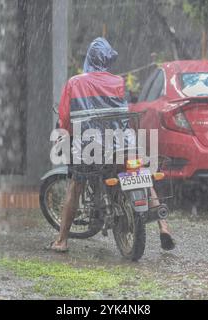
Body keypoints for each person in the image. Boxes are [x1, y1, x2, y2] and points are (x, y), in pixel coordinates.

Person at [47, 37, 175, 253]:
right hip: (123, 143)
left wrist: (64, 134)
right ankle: (164, 226)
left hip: (91, 147)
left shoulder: (75, 82)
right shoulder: (117, 82)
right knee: (142, 175)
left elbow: (65, 117)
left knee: (75, 185)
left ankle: (62, 241)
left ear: (89, 58)